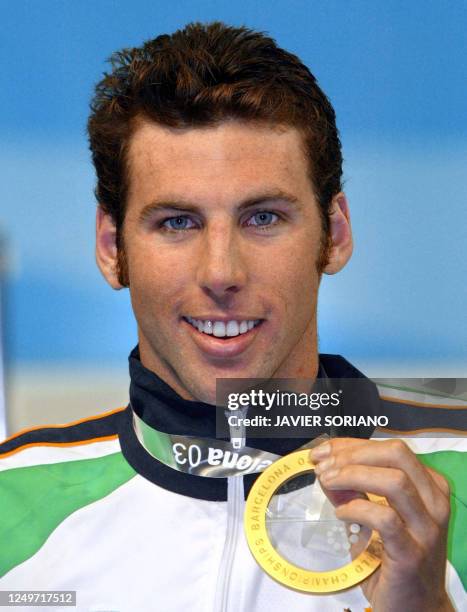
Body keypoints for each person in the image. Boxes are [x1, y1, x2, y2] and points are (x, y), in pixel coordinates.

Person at [0, 21, 465, 612]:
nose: (221, 272)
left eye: (263, 218)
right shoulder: (8, 502)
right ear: (113, 248)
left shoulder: (455, 479)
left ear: (336, 234)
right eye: (177, 222)